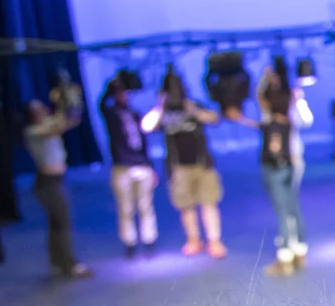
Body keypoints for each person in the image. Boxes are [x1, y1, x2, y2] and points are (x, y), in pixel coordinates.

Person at [231, 61, 315, 273]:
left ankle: (288, 253)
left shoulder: (283, 114)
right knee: (291, 207)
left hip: (285, 163)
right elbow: (260, 98)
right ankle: (297, 249)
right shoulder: (276, 117)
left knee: (285, 208)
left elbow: (305, 120)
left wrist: (298, 101)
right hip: (289, 162)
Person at [144, 68, 227, 259]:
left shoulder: (192, 106)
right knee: (186, 205)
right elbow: (146, 127)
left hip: (202, 164)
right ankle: (193, 240)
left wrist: (194, 111)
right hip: (178, 167)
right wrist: (160, 106)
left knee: (209, 202)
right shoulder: (163, 113)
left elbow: (214, 118)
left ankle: (214, 241)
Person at [20, 95, 90, 280]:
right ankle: (69, 264)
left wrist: (69, 100)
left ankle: (58, 263)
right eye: (37, 109)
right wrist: (60, 107)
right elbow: (56, 127)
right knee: (62, 221)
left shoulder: (46, 124)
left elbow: (72, 120)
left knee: (57, 222)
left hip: (57, 180)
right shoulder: (33, 131)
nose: (42, 111)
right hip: (47, 183)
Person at [99, 70, 160, 259]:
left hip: (141, 165)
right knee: (125, 207)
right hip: (122, 167)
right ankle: (130, 242)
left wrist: (150, 166)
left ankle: (149, 240)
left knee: (145, 205)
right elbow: (101, 105)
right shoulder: (112, 114)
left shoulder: (134, 115)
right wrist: (111, 87)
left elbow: (143, 142)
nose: (123, 96)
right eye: (120, 93)